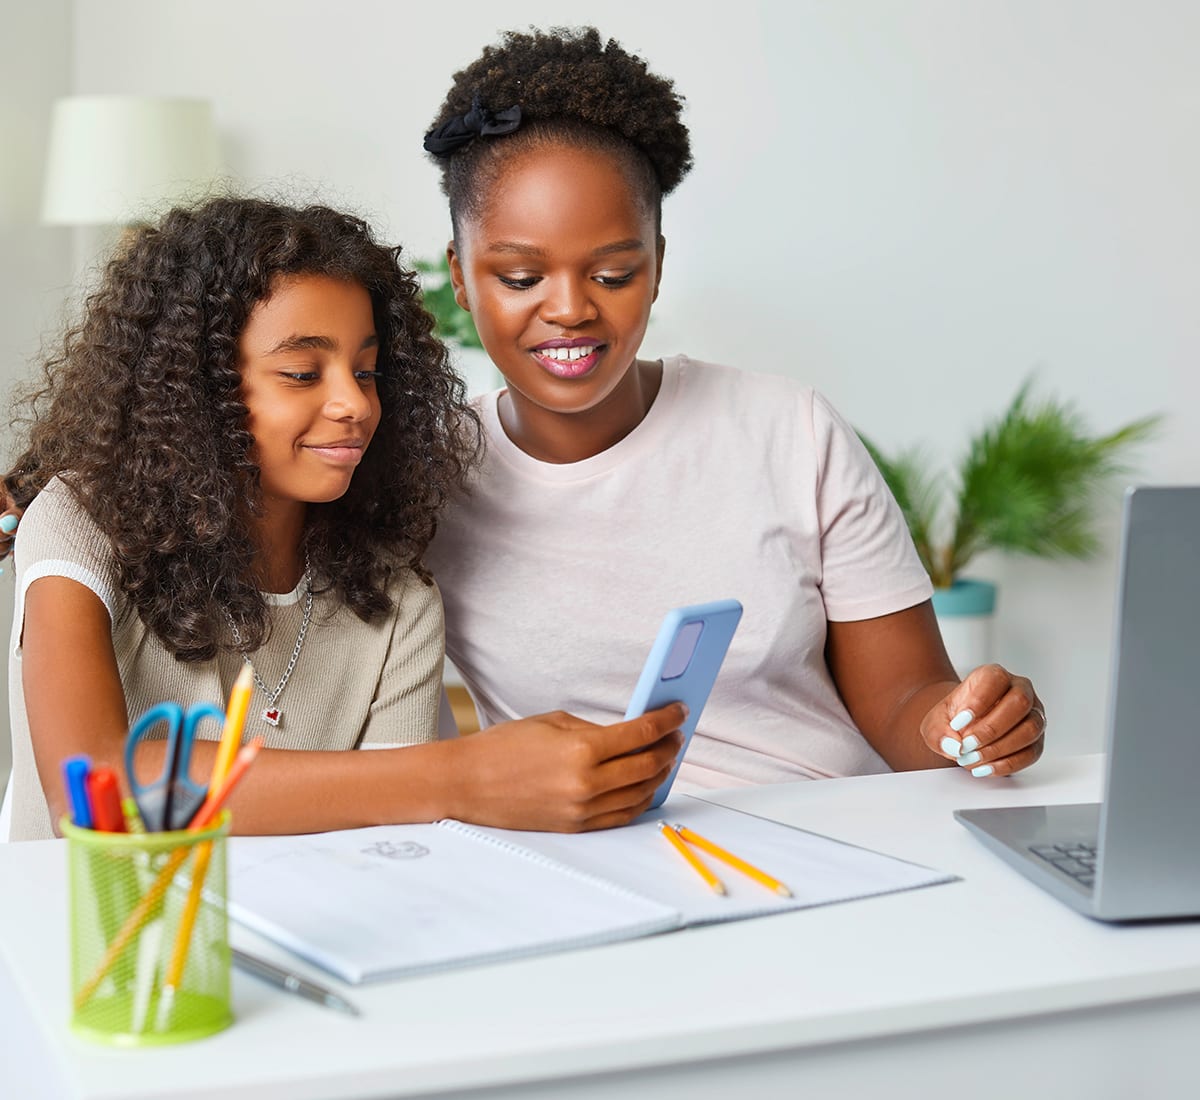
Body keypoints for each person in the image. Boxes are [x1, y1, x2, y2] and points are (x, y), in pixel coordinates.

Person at [420, 26, 1046, 788]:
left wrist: (969, 725)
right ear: (460, 277)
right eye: (520, 278)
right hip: (587, 872)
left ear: (656, 266)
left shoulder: (790, 433)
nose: (570, 309)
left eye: (614, 274)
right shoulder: (426, 476)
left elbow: (905, 706)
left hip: (833, 843)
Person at [3, 196, 685, 841]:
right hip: (85, 949)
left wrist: (445, 787)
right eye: (303, 373)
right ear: (195, 391)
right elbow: (91, 790)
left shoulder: (395, 595)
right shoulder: (79, 522)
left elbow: (391, 848)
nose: (354, 405)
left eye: (366, 372)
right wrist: (458, 777)